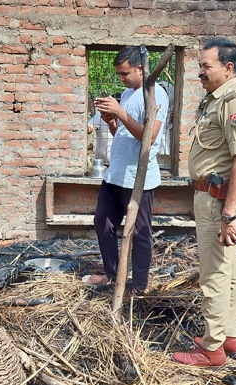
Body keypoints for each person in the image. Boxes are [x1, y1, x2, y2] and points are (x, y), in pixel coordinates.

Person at [172, 37, 236, 366]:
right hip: (214, 197)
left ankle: (212, 349)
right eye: (200, 67)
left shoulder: (235, 101)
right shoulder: (216, 99)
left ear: (229, 67)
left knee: (214, 275)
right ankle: (229, 336)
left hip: (218, 201)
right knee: (230, 271)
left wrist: (228, 216)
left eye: (206, 66)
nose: (200, 73)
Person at [88, 45, 169, 294]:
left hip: (138, 177)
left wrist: (121, 113)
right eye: (120, 74)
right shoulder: (126, 94)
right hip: (115, 174)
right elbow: (121, 134)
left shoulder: (156, 95)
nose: (122, 78)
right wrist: (112, 121)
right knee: (102, 222)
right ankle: (113, 275)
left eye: (125, 73)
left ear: (140, 68)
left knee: (140, 232)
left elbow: (150, 137)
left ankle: (140, 285)